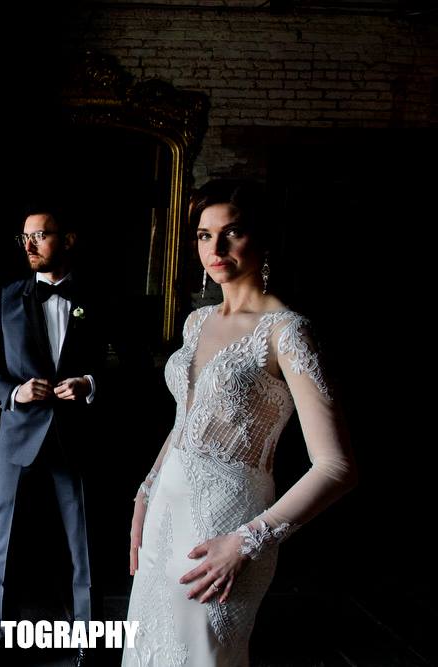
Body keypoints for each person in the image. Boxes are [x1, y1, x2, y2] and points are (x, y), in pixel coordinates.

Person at [123, 179, 357, 666]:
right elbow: (186, 423)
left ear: (263, 239)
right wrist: (145, 492)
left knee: (201, 655)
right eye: (204, 235)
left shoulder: (287, 332)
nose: (216, 248)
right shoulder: (197, 322)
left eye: (232, 232)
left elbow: (336, 467)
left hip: (225, 523)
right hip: (164, 510)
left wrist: (246, 541)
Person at [0, 207, 108, 667]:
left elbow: (132, 360)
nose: (29, 245)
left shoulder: (97, 298)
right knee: (7, 545)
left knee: (85, 546)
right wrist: (12, 392)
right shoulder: (7, 299)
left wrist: (90, 383)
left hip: (76, 439)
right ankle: (0, 643)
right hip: (18, 441)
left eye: (40, 235)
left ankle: (90, 644)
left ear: (69, 239)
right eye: (24, 237)